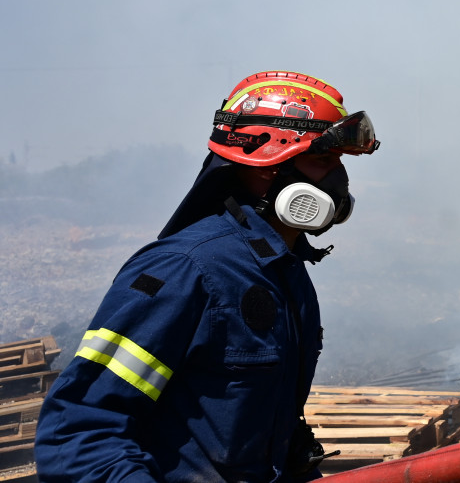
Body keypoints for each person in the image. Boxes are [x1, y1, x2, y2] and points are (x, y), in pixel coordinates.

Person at [36, 71, 381, 483]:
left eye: (340, 162)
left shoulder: (283, 269)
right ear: (267, 166)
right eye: (324, 160)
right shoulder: (185, 269)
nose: (338, 179)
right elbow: (79, 432)